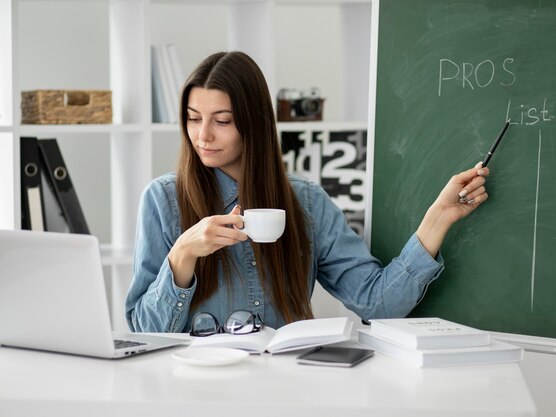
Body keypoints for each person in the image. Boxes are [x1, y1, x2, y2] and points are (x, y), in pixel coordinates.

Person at [125, 51, 489, 333]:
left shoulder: (307, 203)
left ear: (254, 123)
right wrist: (184, 254)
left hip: (288, 390)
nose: (203, 134)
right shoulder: (163, 200)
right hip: (194, 392)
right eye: (192, 118)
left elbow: (378, 304)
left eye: (222, 121)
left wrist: (437, 218)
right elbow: (145, 330)